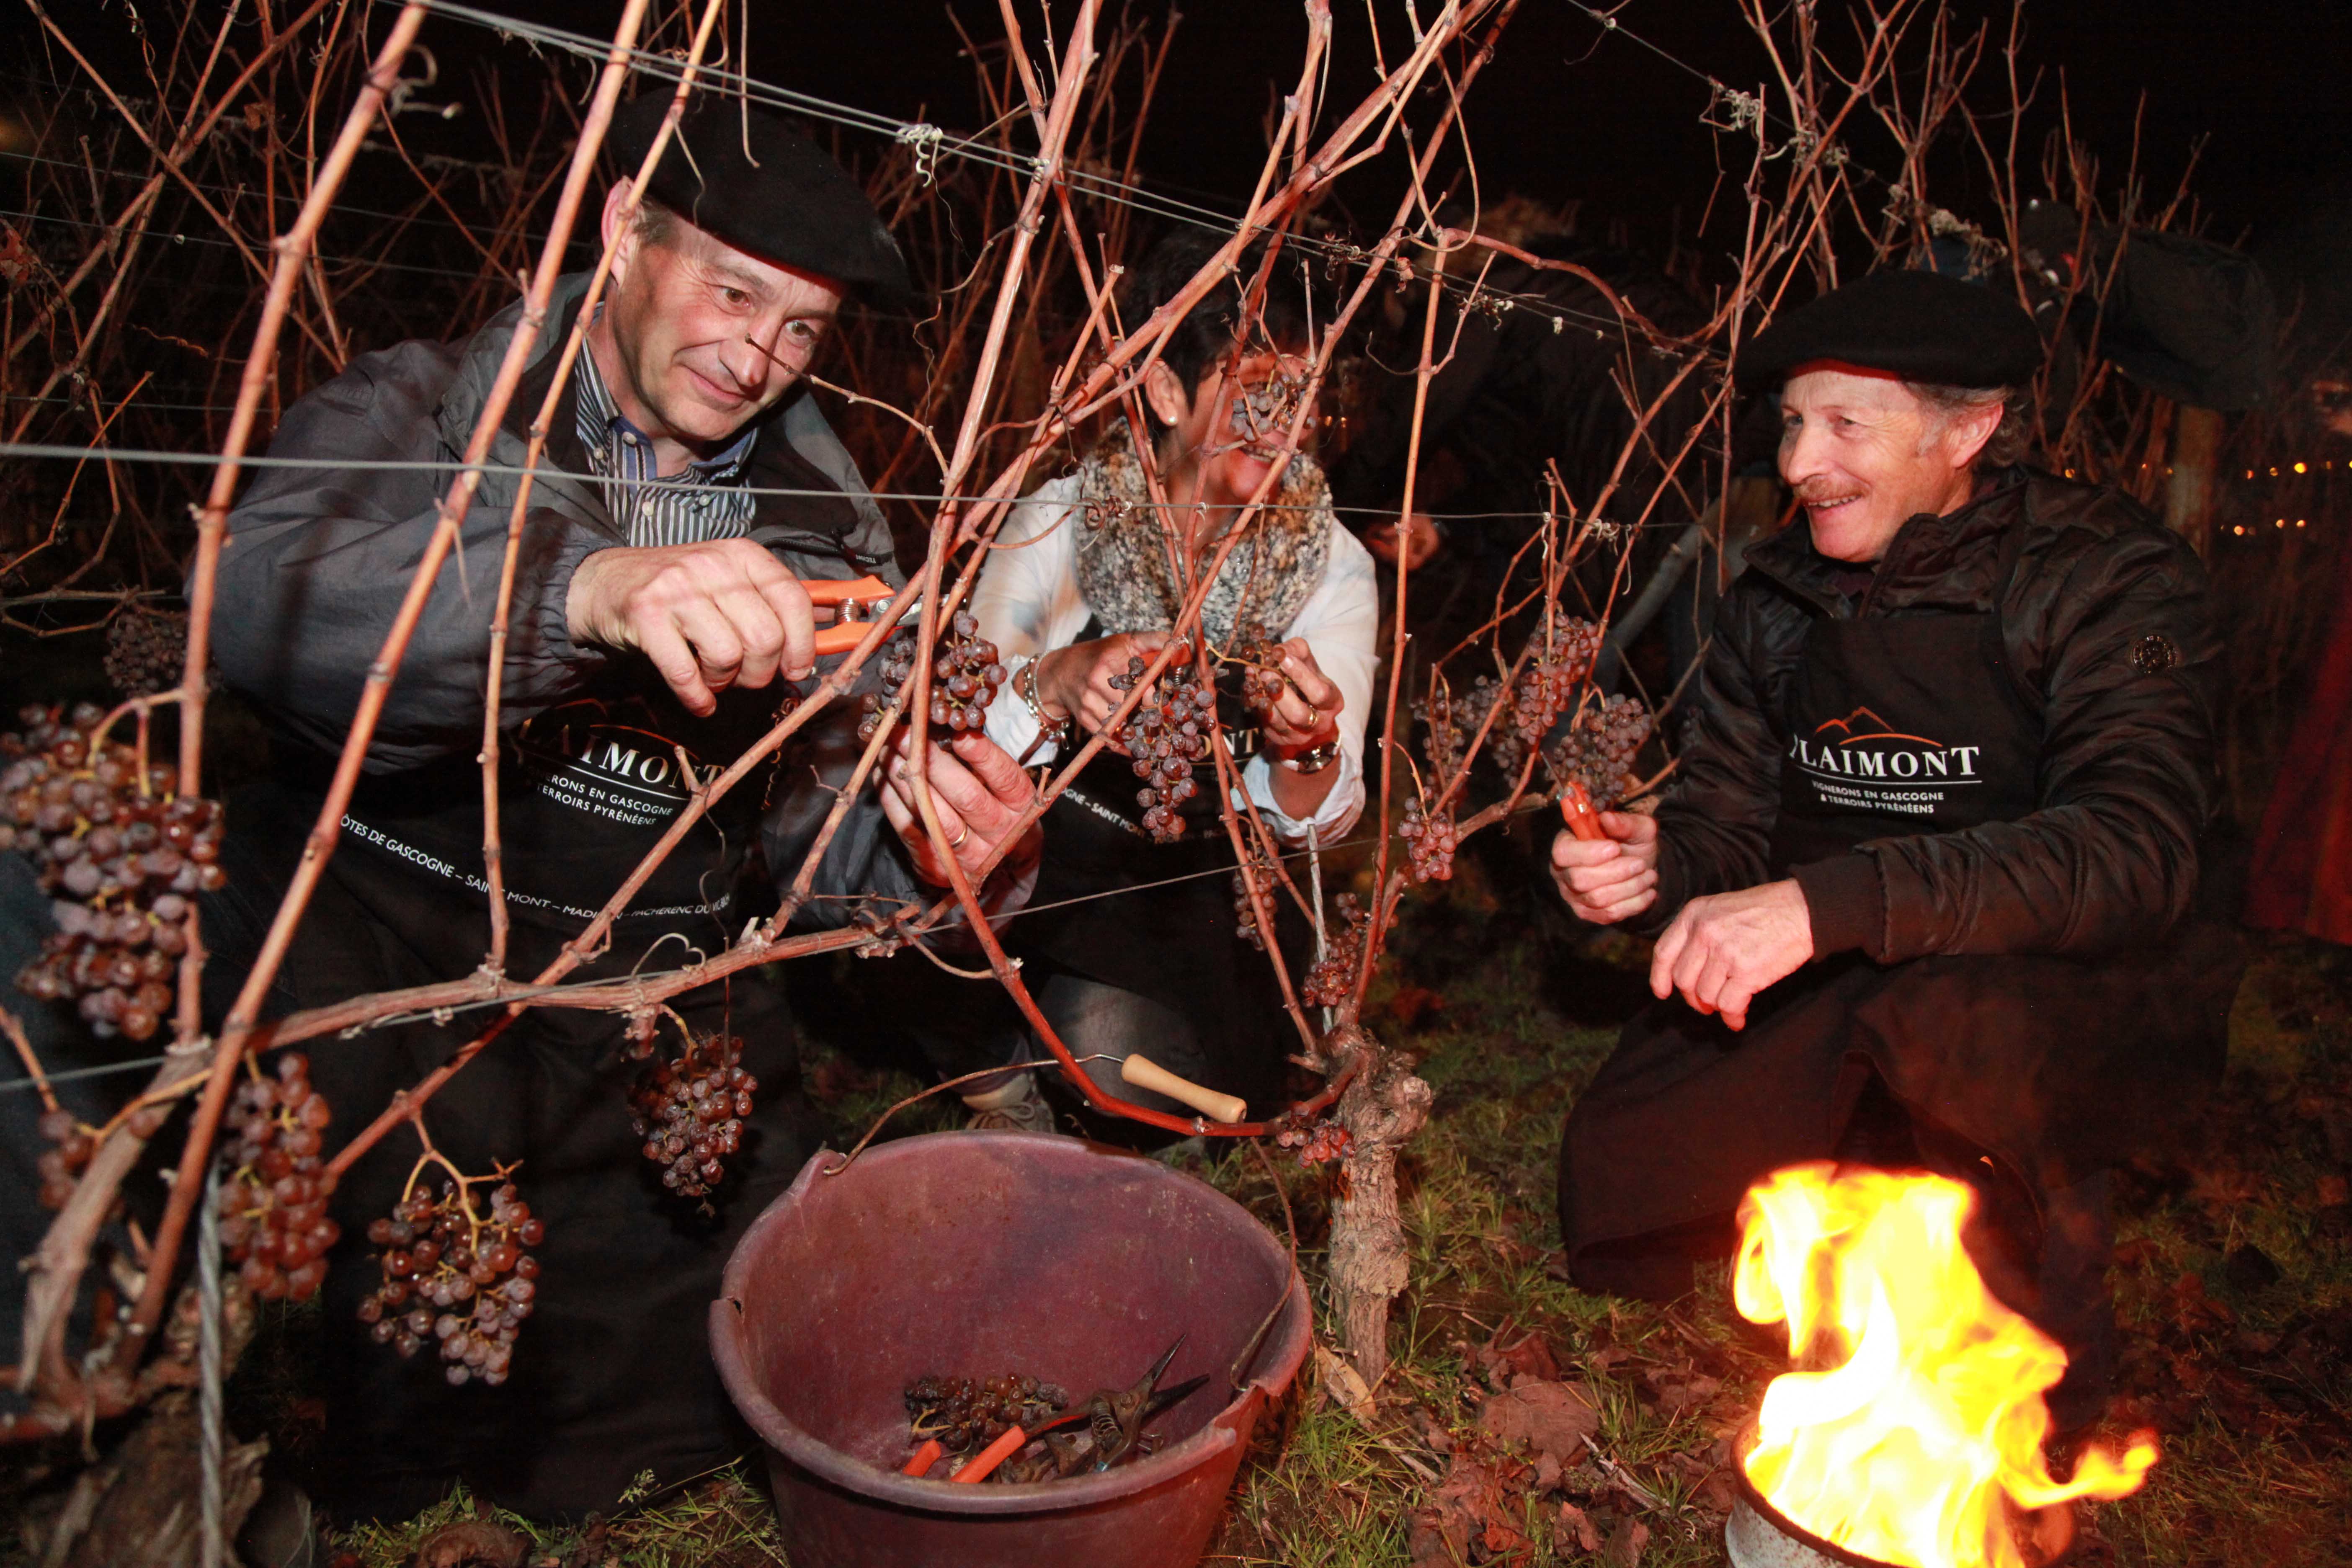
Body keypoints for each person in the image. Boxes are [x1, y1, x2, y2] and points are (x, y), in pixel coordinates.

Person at [198, 94, 1040, 1521]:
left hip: (645, 979)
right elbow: (260, 595)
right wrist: (578, 592)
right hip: (390, 930)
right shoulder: (436, 401)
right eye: (730, 288)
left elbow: (820, 844)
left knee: (707, 1381)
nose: (757, 353)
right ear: (621, 230)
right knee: (391, 1372)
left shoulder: (825, 520)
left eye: (804, 330)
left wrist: (937, 856)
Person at [1548, 268, 2244, 1426]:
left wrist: (1825, 907)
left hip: (2053, 978)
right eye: (1789, 424)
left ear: (1968, 430)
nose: (1799, 464)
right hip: (1842, 948)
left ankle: (2017, 1345)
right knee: (1631, 1181)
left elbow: (2136, 848)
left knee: (1955, 1035)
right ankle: (1854, 1154)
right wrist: (1659, 865)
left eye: (1843, 426)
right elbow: (1732, 820)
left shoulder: (2112, 582)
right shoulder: (1776, 596)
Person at [916, 231, 1377, 1132]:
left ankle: (1074, 1065)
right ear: (1167, 391)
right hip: (1042, 858)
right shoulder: (1060, 519)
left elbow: (1320, 817)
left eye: (1307, 398)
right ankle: (1000, 1075)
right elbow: (952, 724)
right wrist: (1054, 680)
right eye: (1257, 393)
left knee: (1111, 1054)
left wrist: (1306, 742)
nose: (1288, 424)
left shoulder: (1331, 566)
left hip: (1201, 889)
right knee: (899, 913)